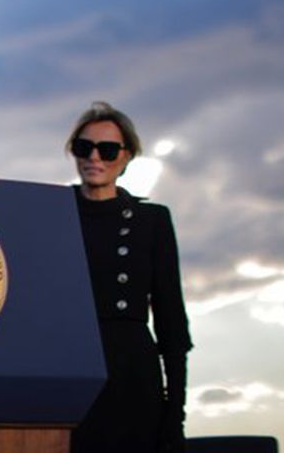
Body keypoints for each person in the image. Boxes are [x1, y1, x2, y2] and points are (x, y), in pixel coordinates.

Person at [66, 101, 192, 453]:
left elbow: (171, 324)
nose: (94, 158)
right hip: (71, 368)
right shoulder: (54, 212)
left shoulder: (150, 221)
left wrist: (174, 415)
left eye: (106, 150)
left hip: (133, 376)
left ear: (127, 156)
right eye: (83, 147)